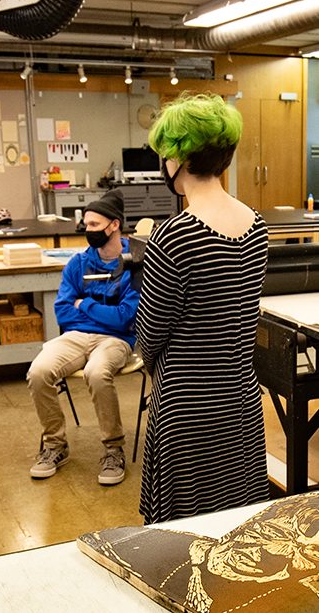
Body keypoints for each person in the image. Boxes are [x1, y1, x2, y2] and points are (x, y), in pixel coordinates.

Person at [136, 93, 268, 524]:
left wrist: (148, 360)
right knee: (236, 525)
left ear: (177, 158)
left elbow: (151, 335)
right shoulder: (256, 226)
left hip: (187, 404)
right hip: (239, 396)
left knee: (181, 535)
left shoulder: (174, 236)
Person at [27, 189, 139, 486]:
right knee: (38, 372)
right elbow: (63, 312)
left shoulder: (134, 264)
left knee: (97, 372)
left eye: (93, 224)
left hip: (116, 341)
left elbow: (126, 317)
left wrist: (85, 304)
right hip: (77, 336)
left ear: (113, 225)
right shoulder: (78, 263)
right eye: (85, 224)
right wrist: (99, 313)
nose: (86, 230)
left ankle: (113, 449)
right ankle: (55, 445)